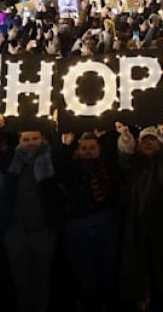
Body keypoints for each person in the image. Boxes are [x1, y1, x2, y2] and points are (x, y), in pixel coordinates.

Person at [0, 113, 61, 312]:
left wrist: (63, 140)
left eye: (35, 138)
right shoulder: (11, 161)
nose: (31, 143)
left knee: (43, 281)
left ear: (43, 139)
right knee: (21, 283)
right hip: (16, 232)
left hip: (43, 232)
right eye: (26, 139)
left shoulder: (52, 160)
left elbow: (65, 161)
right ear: (19, 140)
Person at [116, 120, 163, 310]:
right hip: (137, 230)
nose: (148, 144)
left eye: (152, 140)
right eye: (145, 141)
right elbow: (124, 162)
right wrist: (124, 139)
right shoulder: (134, 165)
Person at [54, 130, 121, 311]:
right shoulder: (72, 168)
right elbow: (60, 167)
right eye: (84, 148)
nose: (88, 151)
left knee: (107, 268)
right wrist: (66, 146)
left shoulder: (106, 167)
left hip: (104, 222)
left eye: (92, 148)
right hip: (77, 225)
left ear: (99, 149)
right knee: (84, 272)